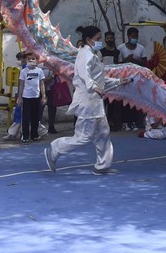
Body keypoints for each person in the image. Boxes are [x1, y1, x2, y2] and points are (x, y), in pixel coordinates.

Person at [45, 26, 131, 175]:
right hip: (87, 102)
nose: (100, 42)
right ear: (88, 40)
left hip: (96, 103)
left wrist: (118, 82)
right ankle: (54, 150)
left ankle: (102, 166)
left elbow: (100, 80)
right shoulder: (84, 55)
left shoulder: (93, 54)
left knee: (103, 133)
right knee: (83, 137)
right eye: (98, 39)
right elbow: (86, 76)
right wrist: (93, 86)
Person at [118, 27, 146, 130]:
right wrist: (127, 60)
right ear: (128, 36)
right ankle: (126, 122)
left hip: (137, 79)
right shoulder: (121, 48)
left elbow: (145, 64)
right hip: (125, 79)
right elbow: (118, 64)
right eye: (133, 36)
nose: (135, 38)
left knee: (137, 101)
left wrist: (134, 61)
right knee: (126, 101)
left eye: (136, 36)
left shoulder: (141, 48)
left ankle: (136, 122)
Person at [16, 52, 47, 143]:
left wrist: (43, 96)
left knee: (35, 117)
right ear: (26, 60)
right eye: (29, 59)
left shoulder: (39, 71)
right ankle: (25, 136)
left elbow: (42, 84)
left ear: (36, 60)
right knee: (25, 117)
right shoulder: (23, 71)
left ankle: (34, 135)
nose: (31, 60)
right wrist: (20, 97)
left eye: (33, 59)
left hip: (36, 96)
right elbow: (21, 84)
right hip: (26, 97)